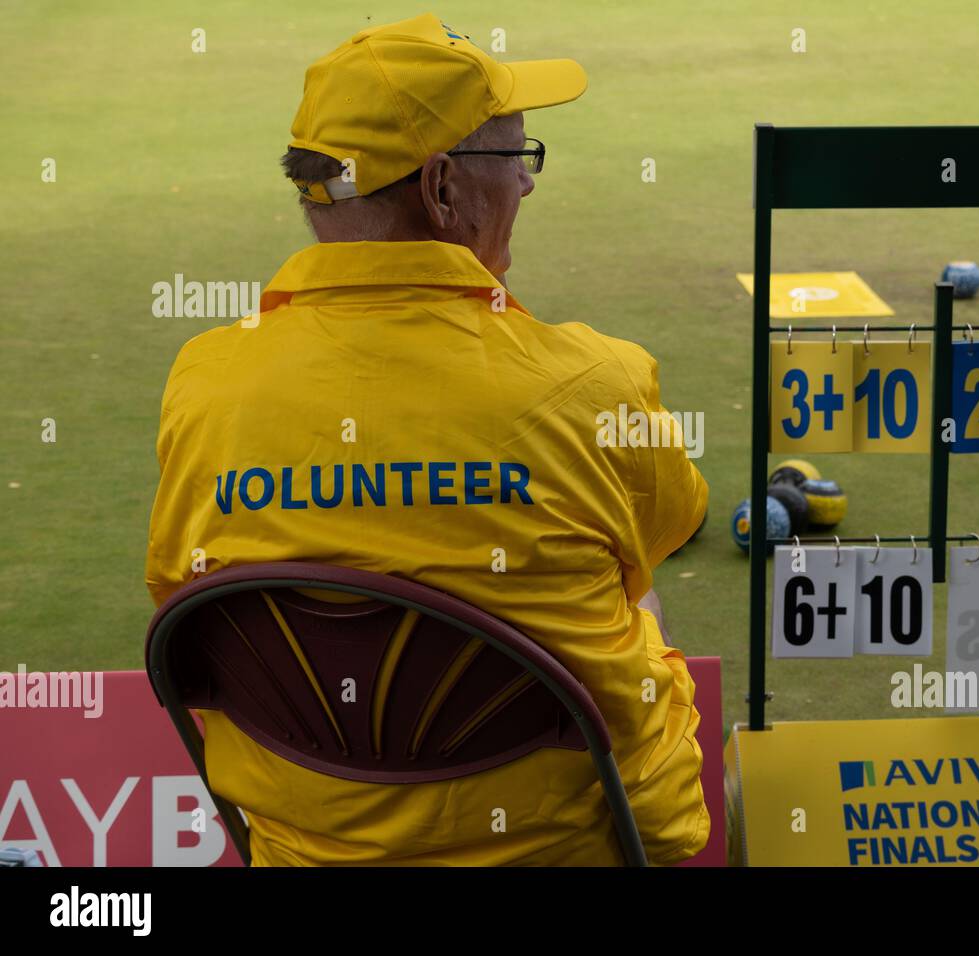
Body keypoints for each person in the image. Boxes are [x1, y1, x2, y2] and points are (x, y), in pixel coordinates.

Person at [145, 13, 709, 866]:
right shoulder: (598, 386)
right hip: (575, 849)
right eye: (518, 161)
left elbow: (180, 598)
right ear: (444, 189)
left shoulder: (205, 382)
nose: (525, 187)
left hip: (304, 853)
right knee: (633, 595)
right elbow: (664, 536)